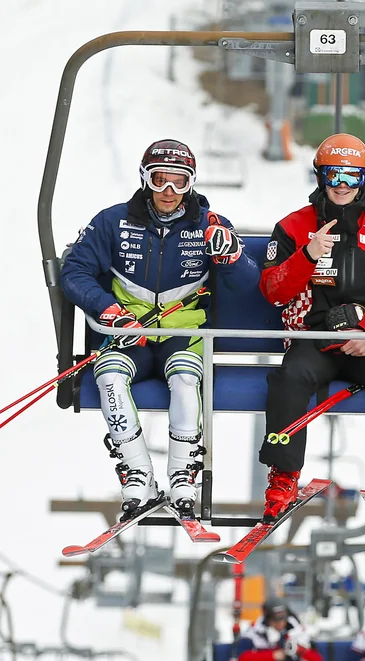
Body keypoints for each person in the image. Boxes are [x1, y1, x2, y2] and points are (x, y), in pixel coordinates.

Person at [61, 139, 259, 518]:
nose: (169, 192)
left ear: (192, 183)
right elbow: (75, 272)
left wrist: (231, 257)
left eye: (179, 182)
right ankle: (137, 474)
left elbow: (249, 284)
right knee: (108, 377)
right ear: (145, 179)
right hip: (130, 330)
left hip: (184, 332)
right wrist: (108, 310)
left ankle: (183, 473)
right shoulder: (113, 221)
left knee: (185, 377)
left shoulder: (208, 225)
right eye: (160, 180)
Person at [258, 133, 365, 523]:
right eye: (334, 176)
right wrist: (308, 255)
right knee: (290, 377)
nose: (343, 186)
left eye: (352, 177)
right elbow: (273, 290)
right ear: (320, 177)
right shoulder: (294, 226)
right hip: (313, 339)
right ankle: (283, 476)